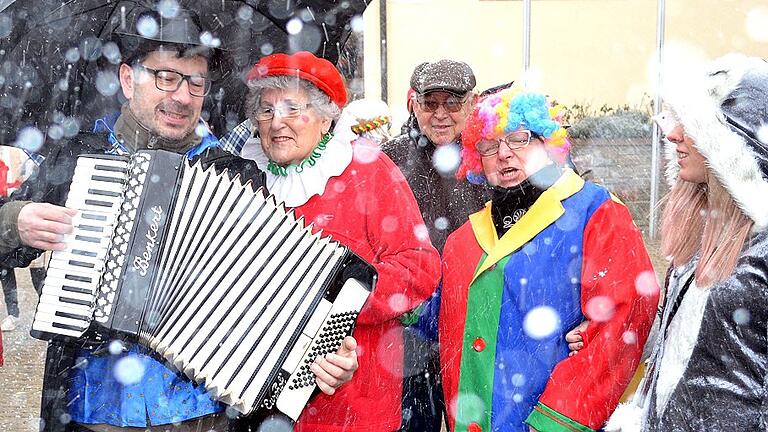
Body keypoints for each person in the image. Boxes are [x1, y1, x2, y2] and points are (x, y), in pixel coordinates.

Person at [0, 9, 358, 432]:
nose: (183, 96)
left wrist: (321, 354)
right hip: (92, 409)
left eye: (195, 82)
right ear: (129, 79)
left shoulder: (234, 175)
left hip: (200, 413)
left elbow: (275, 296)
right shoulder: (80, 157)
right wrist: (14, 222)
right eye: (166, 77)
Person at [233, 51, 441, 431]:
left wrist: (336, 309)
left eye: (293, 108)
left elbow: (418, 267)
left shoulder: (366, 170)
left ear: (326, 116)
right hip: (256, 406)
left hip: (353, 408)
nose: (277, 121)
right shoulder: (244, 179)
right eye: (265, 110)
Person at [439, 86, 659, 432]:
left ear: (549, 143)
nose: (504, 154)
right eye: (490, 145)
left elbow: (626, 310)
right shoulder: (462, 240)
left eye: (519, 138)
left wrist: (558, 419)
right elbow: (438, 313)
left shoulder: (595, 211)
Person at [604, 54, 768, 432]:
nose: (673, 133)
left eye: (691, 123)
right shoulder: (699, 238)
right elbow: (684, 352)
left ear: (732, 143)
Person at [381, 60, 490, 432]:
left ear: (471, 104)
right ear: (414, 104)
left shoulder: (488, 154)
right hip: (410, 321)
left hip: (474, 314)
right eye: (431, 103)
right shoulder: (389, 158)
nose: (441, 114)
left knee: (473, 420)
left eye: (453, 103)